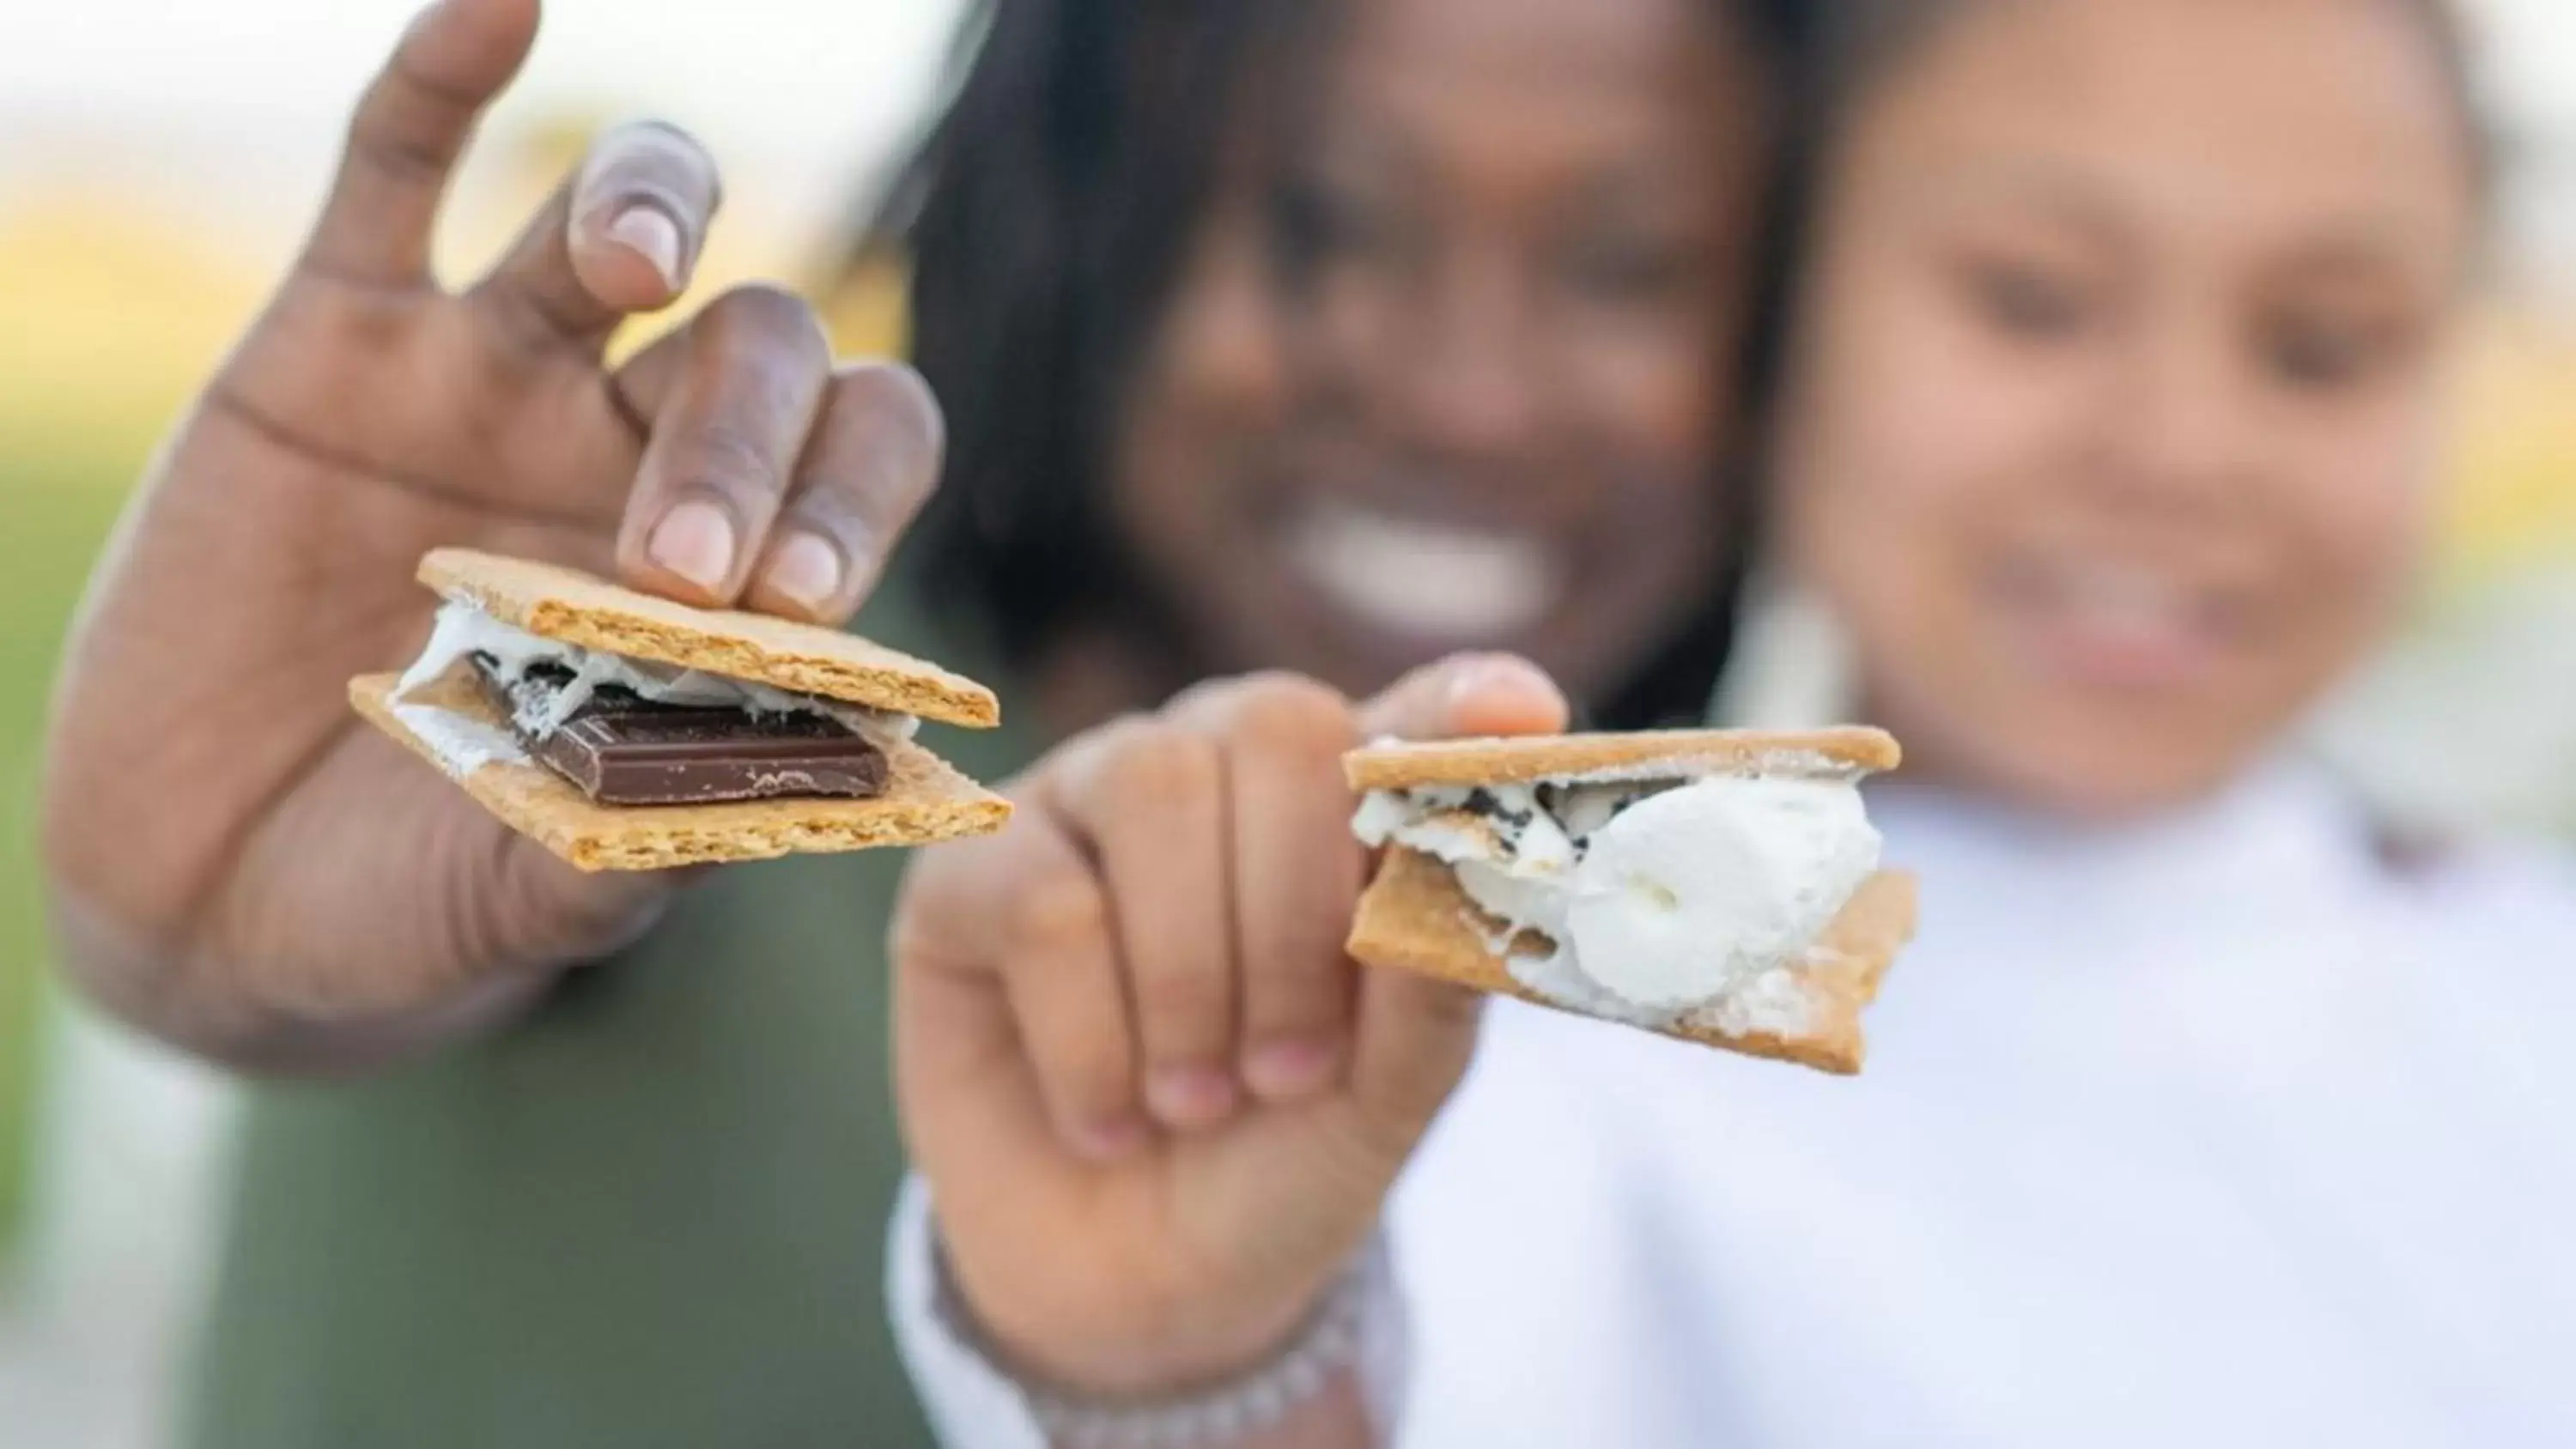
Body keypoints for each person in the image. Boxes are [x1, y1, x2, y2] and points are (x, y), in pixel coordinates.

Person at [35, 0, 1811, 1441]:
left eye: (1627, 266)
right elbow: (310, 918)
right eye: (1318, 225)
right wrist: (196, 934)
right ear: (1072, 199)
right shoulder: (712, 701)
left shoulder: (1699, 917)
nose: (1472, 388)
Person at [887, 0, 2576, 1444]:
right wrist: (1200, 1363)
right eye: (2034, 299)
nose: (2180, 445)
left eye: (2326, 349)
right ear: (1781, 313)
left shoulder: (2516, 958)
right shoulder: (1547, 994)